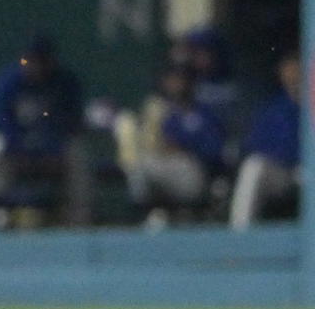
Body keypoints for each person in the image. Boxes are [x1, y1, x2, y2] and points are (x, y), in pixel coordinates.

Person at [0, 36, 87, 227]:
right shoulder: (8, 83)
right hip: (16, 147)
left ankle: (78, 217)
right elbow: (1, 122)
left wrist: (52, 152)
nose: (35, 66)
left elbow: (69, 123)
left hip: (51, 148)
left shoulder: (64, 83)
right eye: (30, 60)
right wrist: (18, 152)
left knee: (78, 152)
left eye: (41, 60)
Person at [116, 63, 227, 227]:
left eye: (180, 79)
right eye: (172, 79)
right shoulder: (161, 112)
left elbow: (215, 151)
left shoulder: (204, 113)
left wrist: (183, 145)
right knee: (139, 165)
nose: (176, 84)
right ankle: (148, 215)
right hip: (163, 167)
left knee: (152, 166)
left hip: (192, 169)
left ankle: (160, 215)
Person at [229, 53, 303, 229]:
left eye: (296, 69)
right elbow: (254, 145)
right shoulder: (275, 107)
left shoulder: (309, 106)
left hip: (306, 170)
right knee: (253, 166)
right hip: (285, 172)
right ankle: (240, 238)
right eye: (287, 69)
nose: (292, 75)